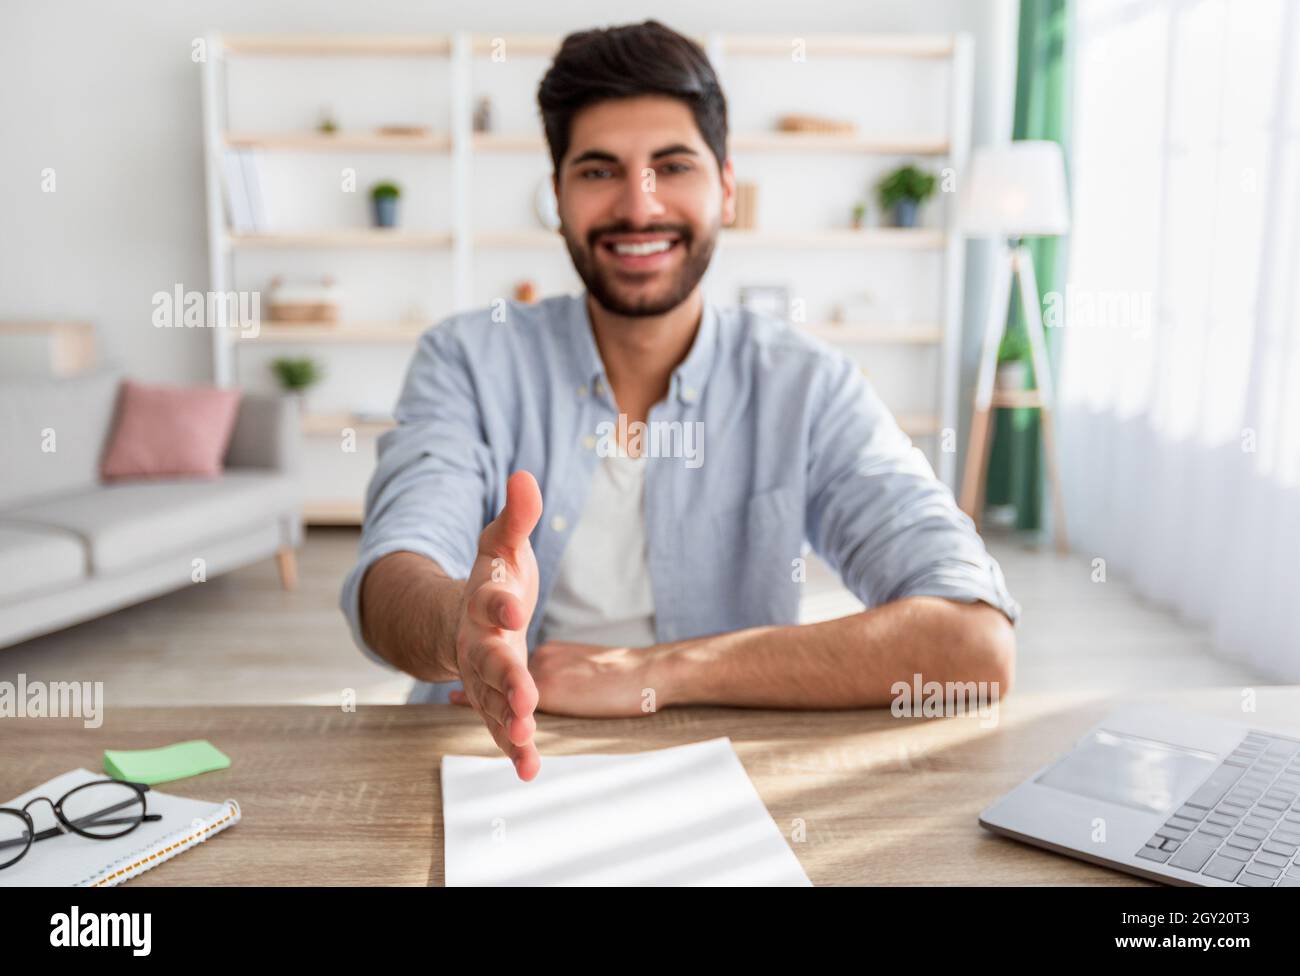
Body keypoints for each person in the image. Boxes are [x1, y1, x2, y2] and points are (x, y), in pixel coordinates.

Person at [341, 20, 1019, 781]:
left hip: (722, 777)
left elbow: (974, 644)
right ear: (557, 197)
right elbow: (390, 574)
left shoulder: (807, 385)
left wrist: (662, 670)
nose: (640, 206)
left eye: (672, 165)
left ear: (727, 188)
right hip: (480, 758)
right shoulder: (468, 358)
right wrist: (458, 628)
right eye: (598, 171)